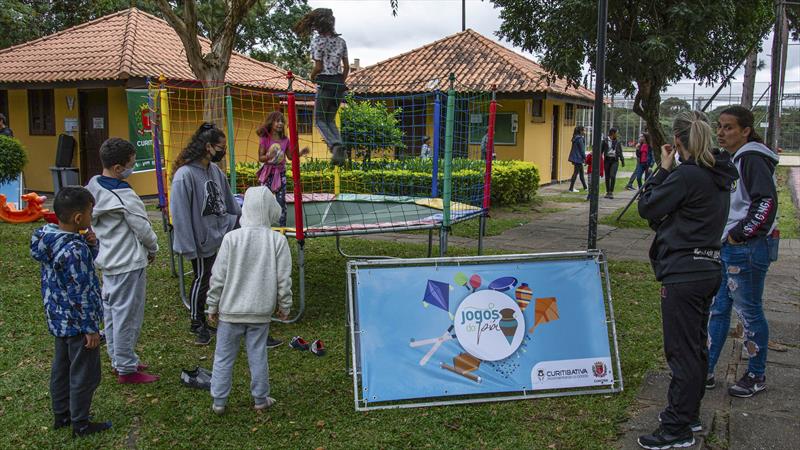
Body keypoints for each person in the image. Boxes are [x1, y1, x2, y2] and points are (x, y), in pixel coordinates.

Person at [636, 111, 738, 450]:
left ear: (677, 141)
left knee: (681, 352)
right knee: (696, 348)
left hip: (684, 273)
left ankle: (676, 427)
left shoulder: (686, 175)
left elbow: (647, 206)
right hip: (708, 268)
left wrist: (663, 169)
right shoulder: (718, 173)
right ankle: (689, 414)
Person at [706, 106, 780, 398]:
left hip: (747, 249)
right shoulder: (735, 158)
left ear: (746, 131)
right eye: (719, 126)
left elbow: (765, 202)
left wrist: (740, 234)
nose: (721, 132)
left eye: (728, 127)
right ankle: (706, 368)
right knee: (718, 308)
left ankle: (756, 374)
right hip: (730, 247)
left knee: (749, 312)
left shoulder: (752, 158)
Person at [30, 186, 112, 437]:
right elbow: (82, 291)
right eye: (90, 212)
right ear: (78, 218)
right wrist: (91, 328)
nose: (92, 216)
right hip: (78, 324)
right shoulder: (74, 250)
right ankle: (81, 423)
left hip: (59, 320)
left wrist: (91, 245)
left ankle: (62, 414)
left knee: (62, 369)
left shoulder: (50, 239)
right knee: (84, 373)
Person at [207, 186, 293, 415]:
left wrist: (212, 305)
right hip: (260, 313)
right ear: (271, 209)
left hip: (230, 312)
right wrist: (285, 305)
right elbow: (284, 279)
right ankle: (260, 399)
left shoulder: (231, 239)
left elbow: (218, 276)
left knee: (223, 357)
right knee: (258, 355)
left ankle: (219, 401)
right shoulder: (278, 241)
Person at [85, 138, 159, 384]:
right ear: (118, 168)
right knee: (127, 316)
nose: (133, 168)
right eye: (131, 163)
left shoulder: (93, 187)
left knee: (112, 313)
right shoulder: (124, 195)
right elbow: (142, 227)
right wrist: (153, 248)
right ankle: (127, 368)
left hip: (108, 261)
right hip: (128, 263)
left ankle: (119, 359)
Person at [171, 123, 241, 346]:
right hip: (200, 240)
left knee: (212, 278)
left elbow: (228, 201)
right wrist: (188, 245)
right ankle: (196, 322)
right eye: (221, 147)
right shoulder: (185, 175)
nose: (223, 151)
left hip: (217, 235)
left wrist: (239, 220)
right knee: (202, 278)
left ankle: (208, 317)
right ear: (208, 147)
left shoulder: (215, 171)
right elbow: (180, 214)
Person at [294, 8, 349, 166]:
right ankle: (340, 146)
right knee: (330, 120)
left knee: (319, 120)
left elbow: (318, 67)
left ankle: (335, 145)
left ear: (317, 25)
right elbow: (346, 67)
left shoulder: (317, 41)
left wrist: (312, 76)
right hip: (339, 85)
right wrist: (339, 82)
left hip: (325, 84)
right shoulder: (341, 42)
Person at [256, 111, 309, 229]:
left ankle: (282, 228)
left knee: (281, 201)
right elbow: (260, 158)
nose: (280, 123)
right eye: (277, 121)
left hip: (280, 174)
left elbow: (290, 156)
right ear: (271, 122)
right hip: (267, 174)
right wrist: (269, 156)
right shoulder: (265, 139)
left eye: (282, 122)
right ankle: (263, 226)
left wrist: (300, 153)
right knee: (264, 200)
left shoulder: (285, 140)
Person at [601, 127, 624, 198]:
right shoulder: (605, 141)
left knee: (613, 175)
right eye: (616, 133)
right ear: (613, 133)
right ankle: (607, 191)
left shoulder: (618, 142)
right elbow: (601, 151)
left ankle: (611, 191)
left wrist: (622, 160)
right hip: (607, 160)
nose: (617, 134)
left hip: (615, 160)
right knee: (607, 176)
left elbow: (620, 152)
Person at [567, 126, 587, 192]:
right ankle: (571, 188)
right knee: (576, 173)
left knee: (581, 173)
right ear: (581, 131)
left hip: (576, 158)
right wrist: (585, 158)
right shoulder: (580, 139)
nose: (584, 132)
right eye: (584, 131)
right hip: (578, 158)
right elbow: (582, 150)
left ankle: (585, 187)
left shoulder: (575, 138)